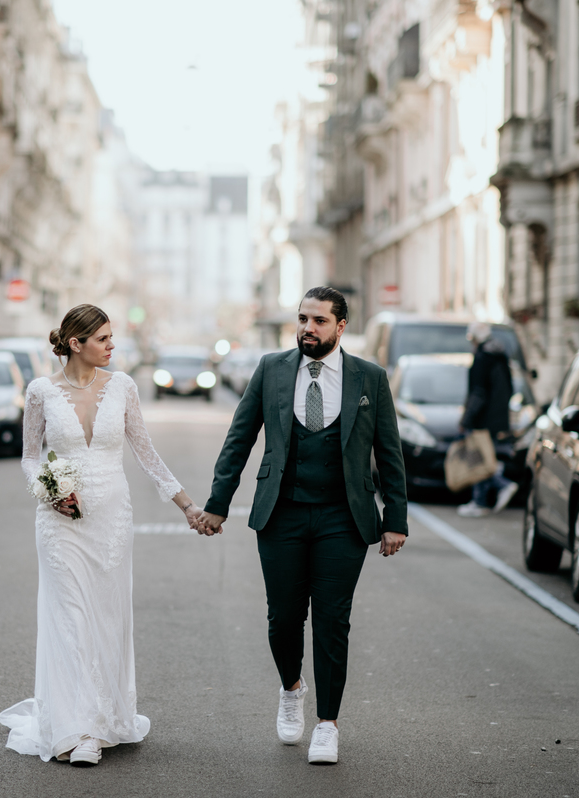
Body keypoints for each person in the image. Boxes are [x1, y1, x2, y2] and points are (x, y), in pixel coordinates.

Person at [196, 286, 408, 765]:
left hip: (343, 517)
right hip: (282, 512)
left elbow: (390, 454)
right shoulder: (271, 369)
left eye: (318, 321)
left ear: (340, 327)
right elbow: (239, 438)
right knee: (284, 617)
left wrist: (396, 519)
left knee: (333, 621)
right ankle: (291, 688)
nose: (307, 328)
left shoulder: (369, 378)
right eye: (302, 319)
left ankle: (328, 724)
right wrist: (217, 503)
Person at [0, 304, 208, 766]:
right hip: (59, 523)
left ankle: (105, 715)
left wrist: (188, 505)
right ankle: (79, 730)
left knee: (107, 620)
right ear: (76, 344)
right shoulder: (40, 392)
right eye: (104, 339)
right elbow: (31, 457)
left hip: (112, 519)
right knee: (70, 618)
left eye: (112, 339)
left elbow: (147, 454)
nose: (113, 347)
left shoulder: (124, 388)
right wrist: (48, 491)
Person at [456, 321, 519, 517]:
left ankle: (488, 495)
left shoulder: (482, 358)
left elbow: (478, 392)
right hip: (496, 418)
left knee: (478, 458)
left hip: (481, 419)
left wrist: (466, 419)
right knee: (483, 456)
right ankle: (483, 497)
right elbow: (508, 389)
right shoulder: (500, 356)